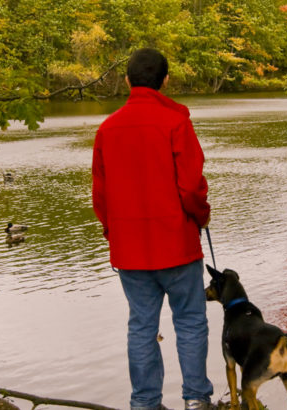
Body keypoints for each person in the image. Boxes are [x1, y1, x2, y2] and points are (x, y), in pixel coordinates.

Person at [91, 48, 213, 410]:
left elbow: (101, 195)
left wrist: (113, 231)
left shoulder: (107, 129)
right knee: (190, 322)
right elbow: (191, 187)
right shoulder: (175, 122)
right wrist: (201, 215)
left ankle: (144, 404)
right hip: (176, 245)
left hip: (131, 251)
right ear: (166, 80)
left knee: (141, 326)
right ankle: (196, 400)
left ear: (128, 81)